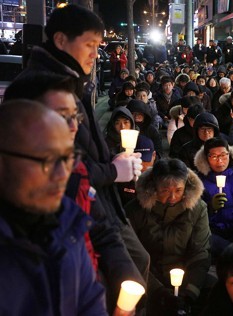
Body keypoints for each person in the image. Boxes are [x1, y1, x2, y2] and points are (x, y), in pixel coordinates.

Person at [10, 5, 149, 311]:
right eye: (89, 45)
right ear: (60, 40)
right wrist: (112, 171)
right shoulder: (42, 90)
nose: (95, 54)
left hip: (95, 203)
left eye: (98, 46)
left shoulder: (72, 83)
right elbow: (63, 165)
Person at [0, 100, 107, 314]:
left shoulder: (68, 223)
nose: (62, 175)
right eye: (46, 160)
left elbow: (90, 301)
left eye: (67, 158)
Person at [126, 159, 212, 315]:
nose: (172, 196)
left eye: (178, 190)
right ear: (153, 188)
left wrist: (189, 292)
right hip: (148, 277)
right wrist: (158, 292)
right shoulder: (136, 210)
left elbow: (200, 252)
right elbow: (131, 257)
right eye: (165, 190)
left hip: (186, 276)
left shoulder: (198, 209)